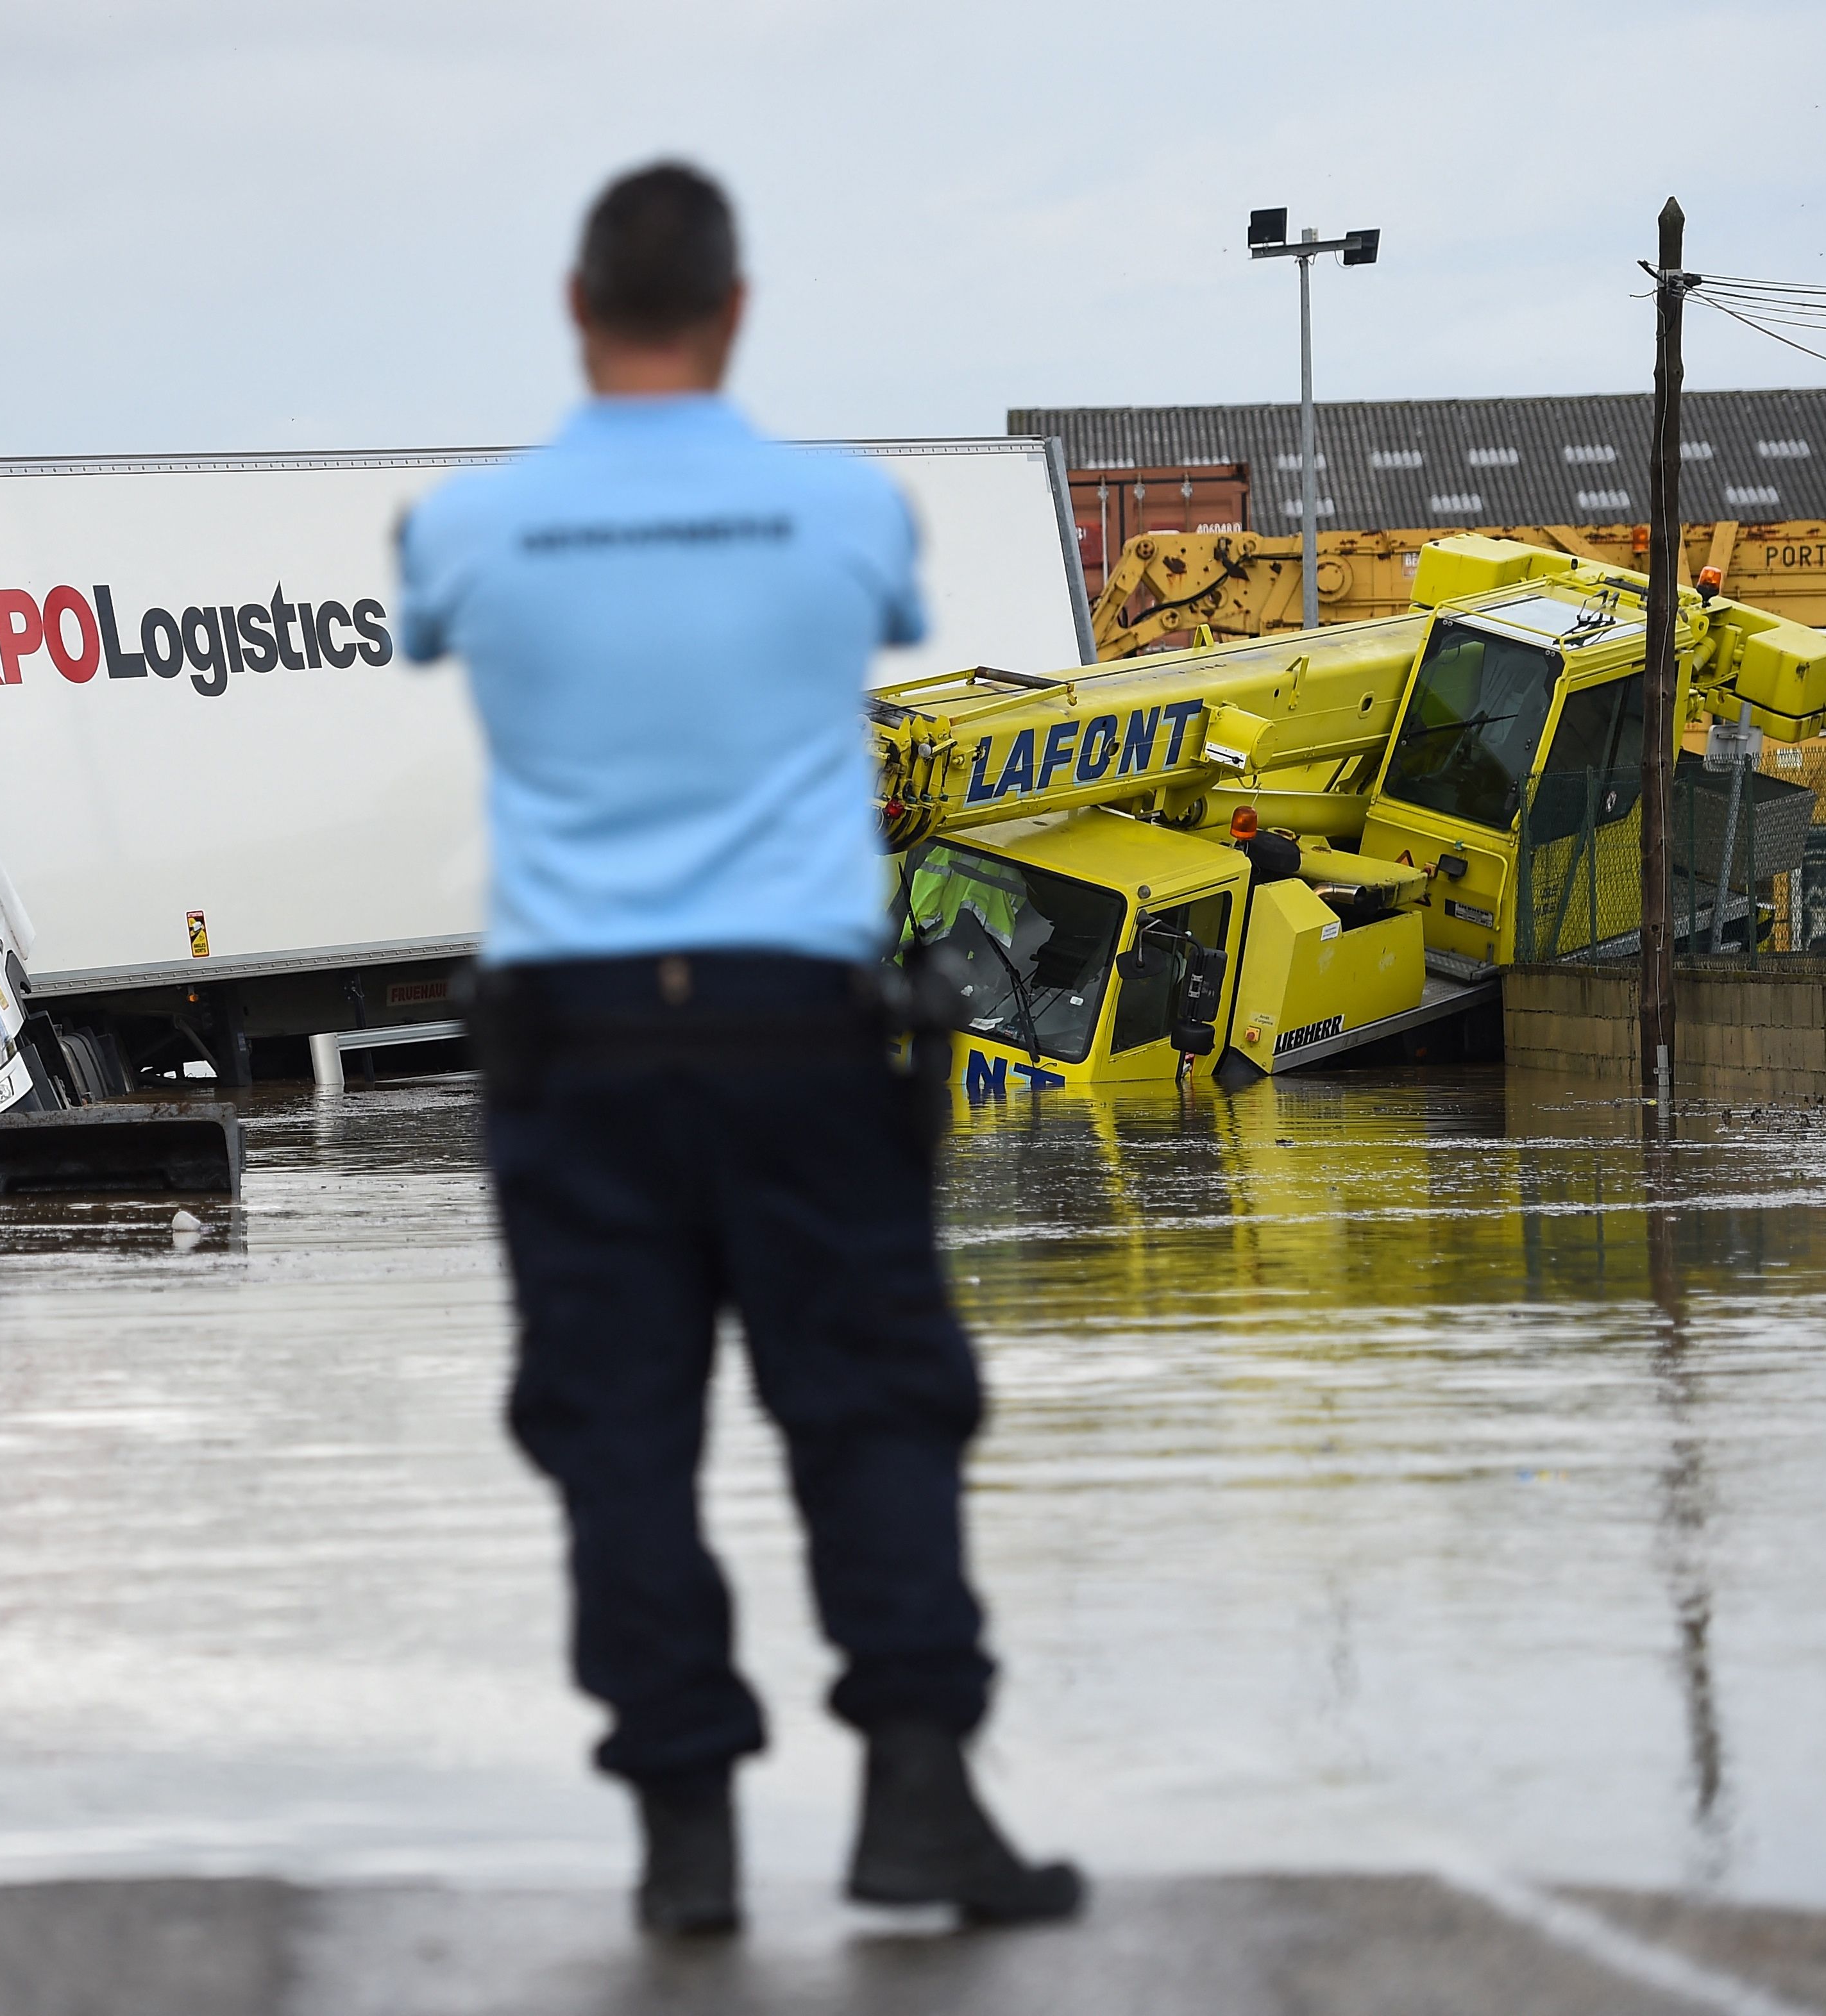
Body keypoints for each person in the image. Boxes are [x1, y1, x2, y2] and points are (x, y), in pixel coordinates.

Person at [394, 162, 1083, 1938]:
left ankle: (683, 1839)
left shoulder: (466, 532)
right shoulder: (841, 514)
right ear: (734, 308)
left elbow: (439, 642)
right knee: (872, 1410)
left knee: (614, 1430)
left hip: (577, 1044)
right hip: (801, 1033)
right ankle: (918, 1797)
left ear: (575, 307)